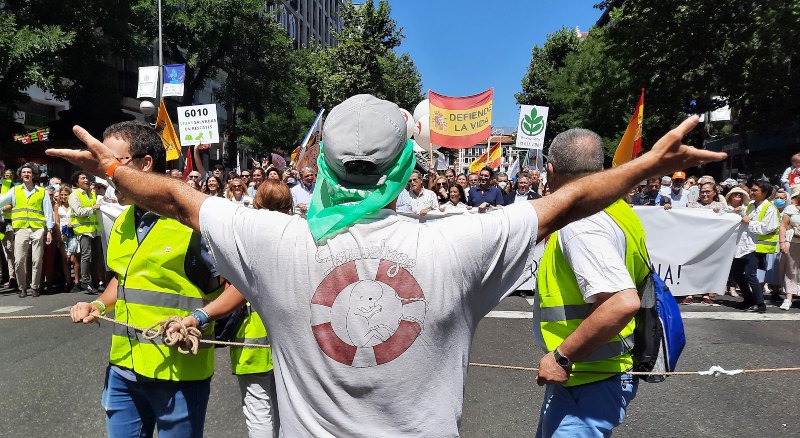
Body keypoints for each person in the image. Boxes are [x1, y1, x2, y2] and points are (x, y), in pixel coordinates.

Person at [49, 94, 723, 437]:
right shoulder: (458, 245)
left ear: (326, 167)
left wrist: (111, 170)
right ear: (406, 168)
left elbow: (170, 194)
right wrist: (643, 167)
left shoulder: (275, 241)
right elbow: (568, 202)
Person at [68, 121, 223, 437]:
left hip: (179, 372)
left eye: (111, 160)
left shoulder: (196, 222)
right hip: (123, 369)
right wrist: (97, 304)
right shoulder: (122, 218)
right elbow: (121, 280)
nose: (103, 171)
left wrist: (199, 317)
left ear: (145, 163)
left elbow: (238, 288)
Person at [534, 128, 646, 436]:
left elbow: (622, 302)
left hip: (589, 377)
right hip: (588, 374)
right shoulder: (616, 207)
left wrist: (562, 356)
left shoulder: (581, 222)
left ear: (551, 170)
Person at [0, 163, 55, 297]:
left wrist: (49, 231)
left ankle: (35, 287)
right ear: (20, 175)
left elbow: (48, 213)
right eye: (24, 172)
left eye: (29, 172)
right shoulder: (14, 190)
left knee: (37, 259)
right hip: (21, 229)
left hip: (37, 229)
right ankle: (22, 287)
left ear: (33, 175)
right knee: (19, 260)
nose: (26, 174)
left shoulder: (41, 191)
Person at [733, 181, 779, 313]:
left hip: (757, 246)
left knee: (750, 274)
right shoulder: (751, 206)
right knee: (736, 271)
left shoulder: (770, 208)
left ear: (764, 193)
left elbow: (767, 228)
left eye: (755, 190)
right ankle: (748, 300)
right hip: (745, 244)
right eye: (751, 190)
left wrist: (750, 222)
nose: (751, 192)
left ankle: (760, 303)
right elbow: (743, 217)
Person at [69, 171, 102, 293]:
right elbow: (78, 211)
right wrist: (92, 208)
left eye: (87, 178)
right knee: (86, 256)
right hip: (83, 231)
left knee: (97, 257)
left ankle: (95, 281)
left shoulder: (91, 194)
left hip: (95, 230)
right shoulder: (74, 195)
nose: (86, 180)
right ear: (77, 182)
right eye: (83, 178)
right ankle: (85, 282)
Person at [779, 185, 800, 310]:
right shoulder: (791, 208)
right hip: (792, 242)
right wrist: (782, 242)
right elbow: (783, 226)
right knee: (790, 270)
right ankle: (788, 298)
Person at [58, 185, 81, 289]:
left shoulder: (73, 206)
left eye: (66, 195)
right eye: (61, 195)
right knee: (65, 259)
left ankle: (77, 281)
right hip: (62, 234)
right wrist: (59, 235)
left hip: (73, 233)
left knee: (73, 259)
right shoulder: (57, 206)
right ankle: (68, 282)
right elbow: (57, 221)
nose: (63, 197)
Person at [1, 163, 17, 289]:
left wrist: (5, 207)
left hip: (6, 222)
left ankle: (12, 276)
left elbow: (14, 202)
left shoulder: (9, 185)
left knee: (9, 249)